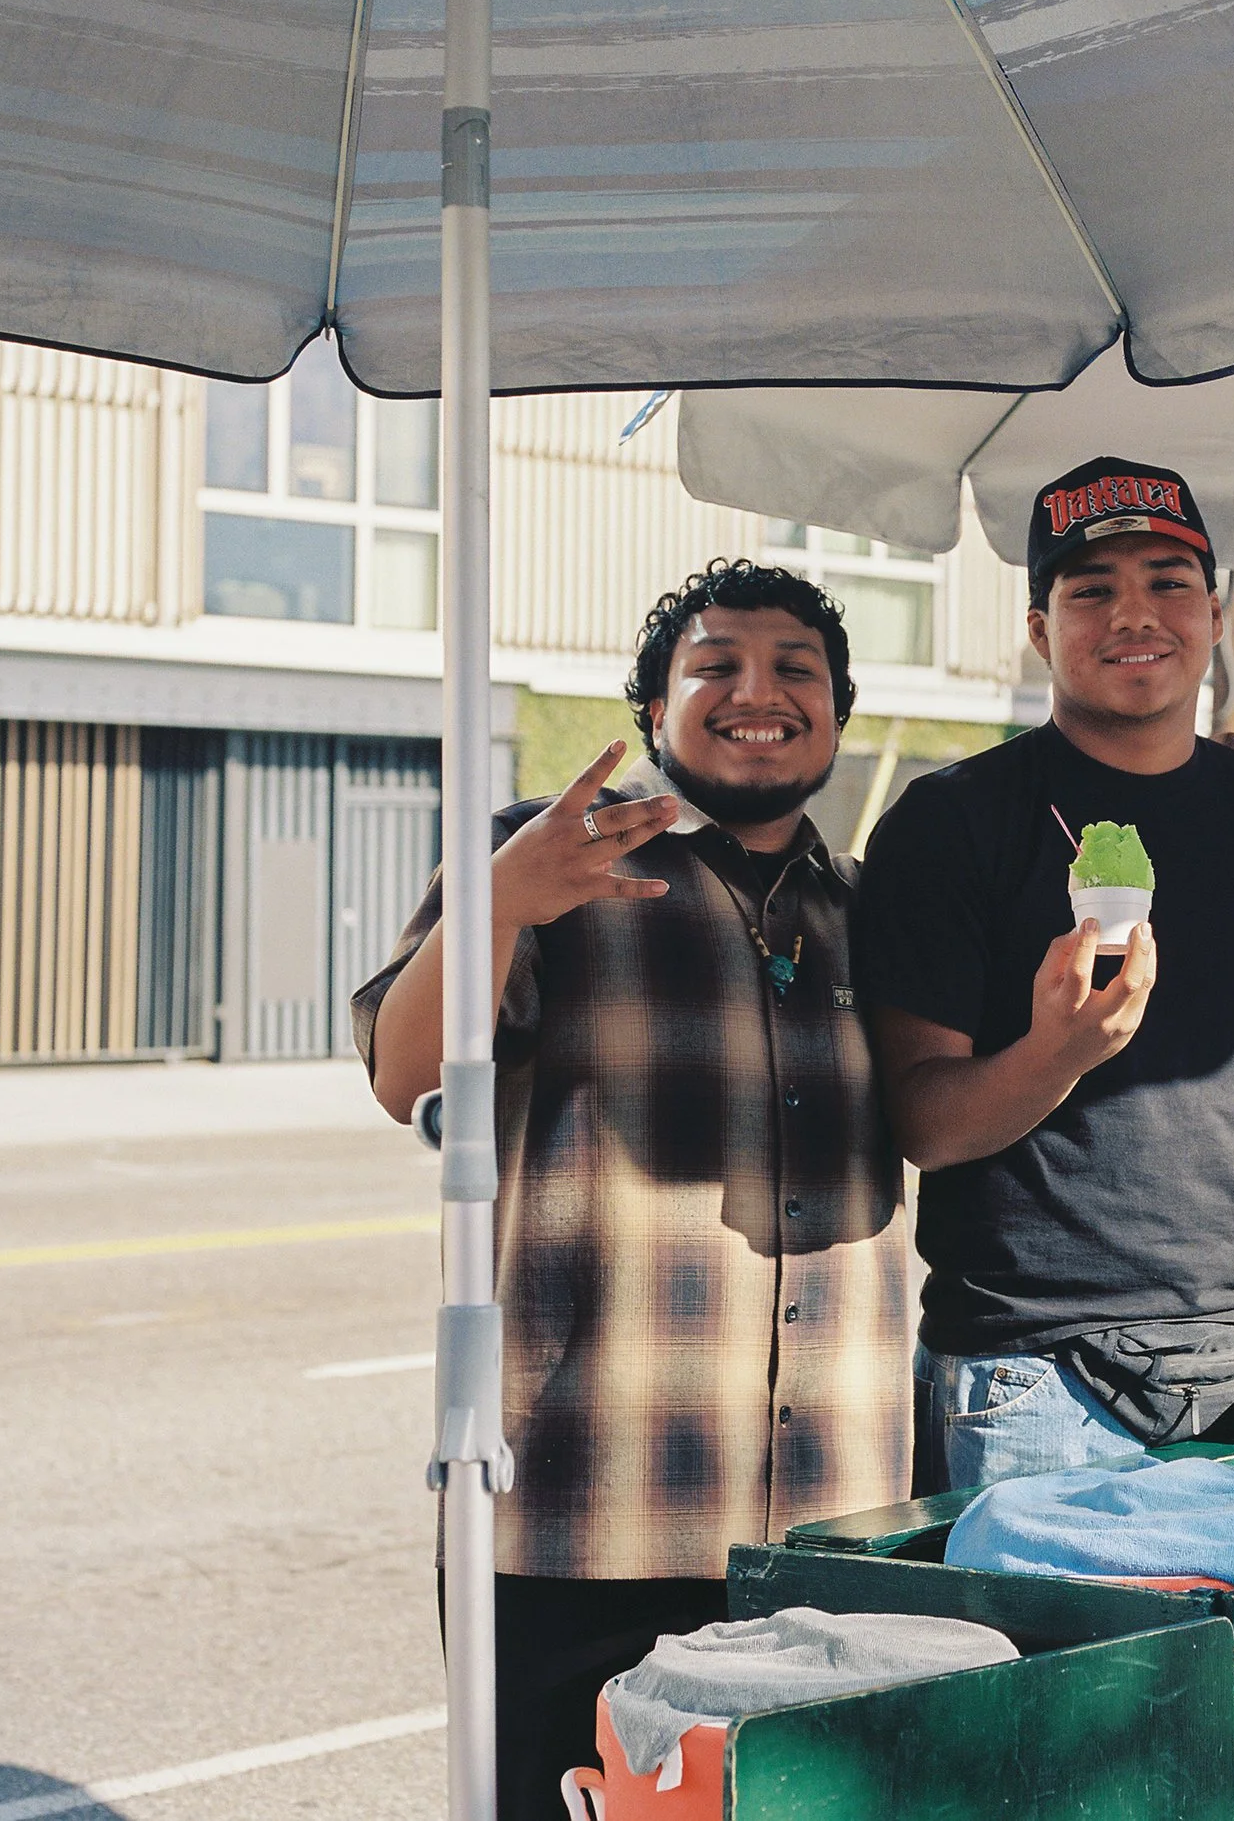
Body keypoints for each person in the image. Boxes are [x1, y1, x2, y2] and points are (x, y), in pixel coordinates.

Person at [356, 560, 906, 1821]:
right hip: (579, 1516)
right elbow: (400, 1071)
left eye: (795, 669)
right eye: (715, 664)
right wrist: (501, 900)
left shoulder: (869, 907)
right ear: (654, 706)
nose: (756, 691)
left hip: (834, 1523)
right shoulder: (537, 860)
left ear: (837, 709)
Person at [852, 458, 1234, 1494]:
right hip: (1035, 1383)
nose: (1133, 615)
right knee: (1059, 1664)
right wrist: (1055, 1055)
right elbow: (924, 1122)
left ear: (1217, 610)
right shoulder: (951, 824)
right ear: (1038, 629)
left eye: (1166, 580)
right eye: (1091, 589)